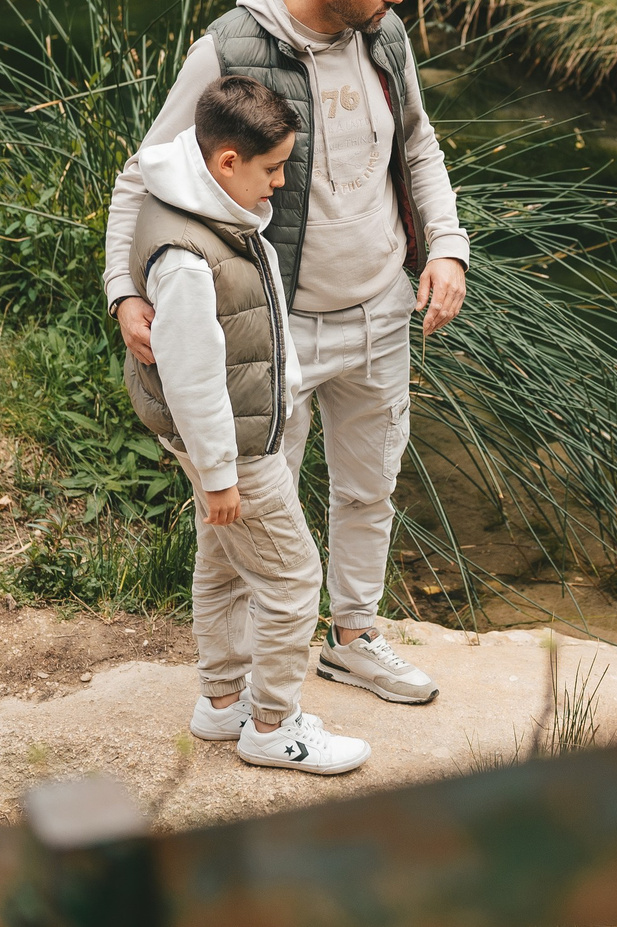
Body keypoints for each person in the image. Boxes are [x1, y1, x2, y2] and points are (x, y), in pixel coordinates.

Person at [106, 0, 467, 708]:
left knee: (370, 482)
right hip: (278, 329)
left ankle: (356, 637)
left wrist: (446, 246)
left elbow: (417, 143)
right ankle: (229, 694)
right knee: (244, 510)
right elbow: (144, 171)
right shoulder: (231, 46)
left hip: (381, 310)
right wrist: (123, 288)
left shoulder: (386, 37)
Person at [128, 74, 371, 774]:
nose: (282, 182)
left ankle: (221, 698)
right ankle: (272, 724)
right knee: (294, 577)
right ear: (227, 161)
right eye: (272, 168)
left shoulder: (192, 197)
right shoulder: (187, 258)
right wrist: (220, 473)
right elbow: (194, 378)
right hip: (232, 441)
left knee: (223, 561)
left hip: (229, 432)